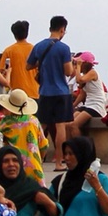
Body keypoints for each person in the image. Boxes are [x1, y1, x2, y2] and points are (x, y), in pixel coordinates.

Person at [28, 15, 78, 143]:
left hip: (44, 91)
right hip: (61, 91)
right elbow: (68, 72)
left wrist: (44, 63)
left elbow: (28, 66)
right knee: (60, 126)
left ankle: (36, 154)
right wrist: (73, 64)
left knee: (42, 125)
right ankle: (59, 160)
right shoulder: (64, 48)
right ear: (62, 29)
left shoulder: (38, 46)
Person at [0, 88, 48, 179]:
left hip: (14, 166)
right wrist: (39, 159)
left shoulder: (6, 123)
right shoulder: (34, 121)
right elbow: (44, 145)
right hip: (34, 166)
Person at [70, 51, 108, 143]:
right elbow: (82, 94)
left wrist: (78, 67)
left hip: (96, 106)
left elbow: (79, 80)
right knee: (68, 123)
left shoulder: (93, 73)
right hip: (88, 105)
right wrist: (73, 106)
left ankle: (80, 149)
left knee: (74, 125)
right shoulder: (86, 75)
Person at [1, 19, 39, 100]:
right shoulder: (35, 49)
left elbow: (2, 70)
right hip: (34, 91)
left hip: (17, 95)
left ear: (14, 34)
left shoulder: (8, 51)